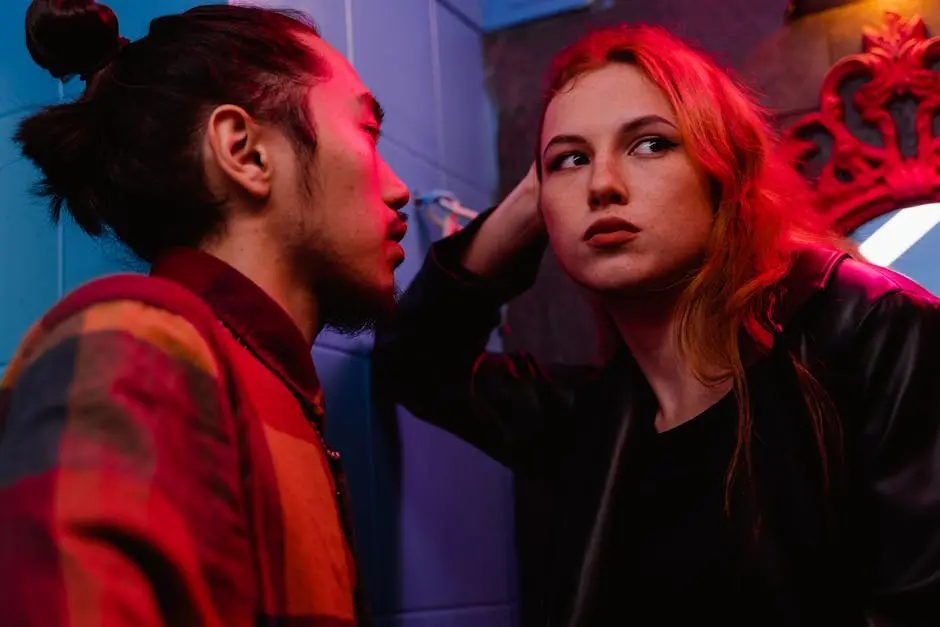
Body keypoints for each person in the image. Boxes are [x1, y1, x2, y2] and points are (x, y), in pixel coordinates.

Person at [373, 24, 940, 627]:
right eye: (571, 161)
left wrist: (568, 158)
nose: (602, 185)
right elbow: (416, 360)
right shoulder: (590, 422)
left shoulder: (870, 327)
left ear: (723, 170)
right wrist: (533, 199)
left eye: (649, 145)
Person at [0, 2, 409, 625]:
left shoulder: (269, 389)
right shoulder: (136, 346)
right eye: (368, 134)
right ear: (244, 151)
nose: (398, 186)